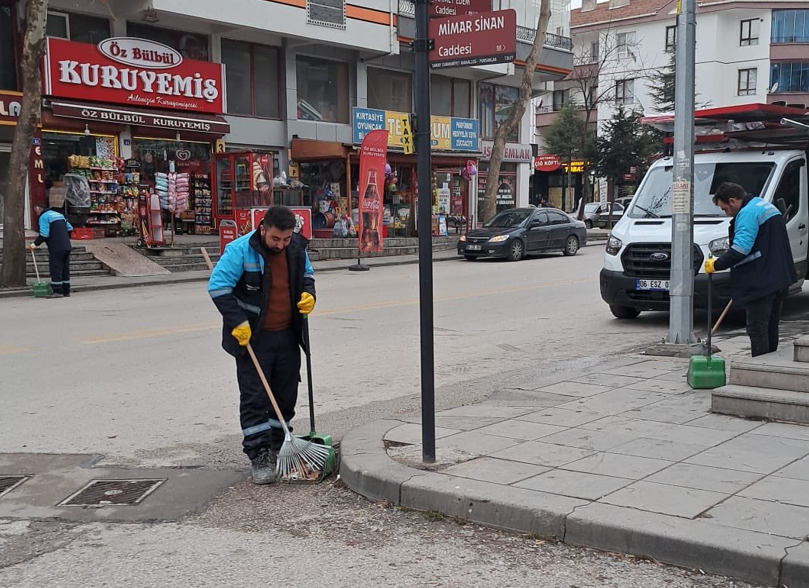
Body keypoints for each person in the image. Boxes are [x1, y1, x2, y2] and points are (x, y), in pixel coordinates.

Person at [208, 206, 316, 484]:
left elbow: (307, 276)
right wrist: (237, 322)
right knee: (255, 397)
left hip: (288, 335)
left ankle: (280, 445)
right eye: (276, 239)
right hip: (254, 338)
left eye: (286, 239)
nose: (281, 245)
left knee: (285, 395)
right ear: (263, 228)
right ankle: (259, 456)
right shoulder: (240, 250)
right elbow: (218, 286)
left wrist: (308, 295)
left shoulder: (296, 248)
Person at [705, 182, 797, 357]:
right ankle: (771, 364)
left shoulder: (747, 213)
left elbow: (741, 249)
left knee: (756, 328)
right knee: (770, 325)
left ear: (733, 201)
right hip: (779, 277)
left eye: (725, 208)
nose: (726, 213)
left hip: (761, 280)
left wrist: (716, 265)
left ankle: (760, 366)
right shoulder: (763, 205)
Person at [30, 205, 73, 298]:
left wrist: (34, 244)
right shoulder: (59, 215)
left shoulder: (44, 217)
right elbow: (70, 228)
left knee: (56, 269)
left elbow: (44, 234)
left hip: (56, 247)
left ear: (38, 208)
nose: (36, 213)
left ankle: (57, 291)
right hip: (66, 245)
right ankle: (66, 291)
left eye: (35, 211)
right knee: (65, 269)